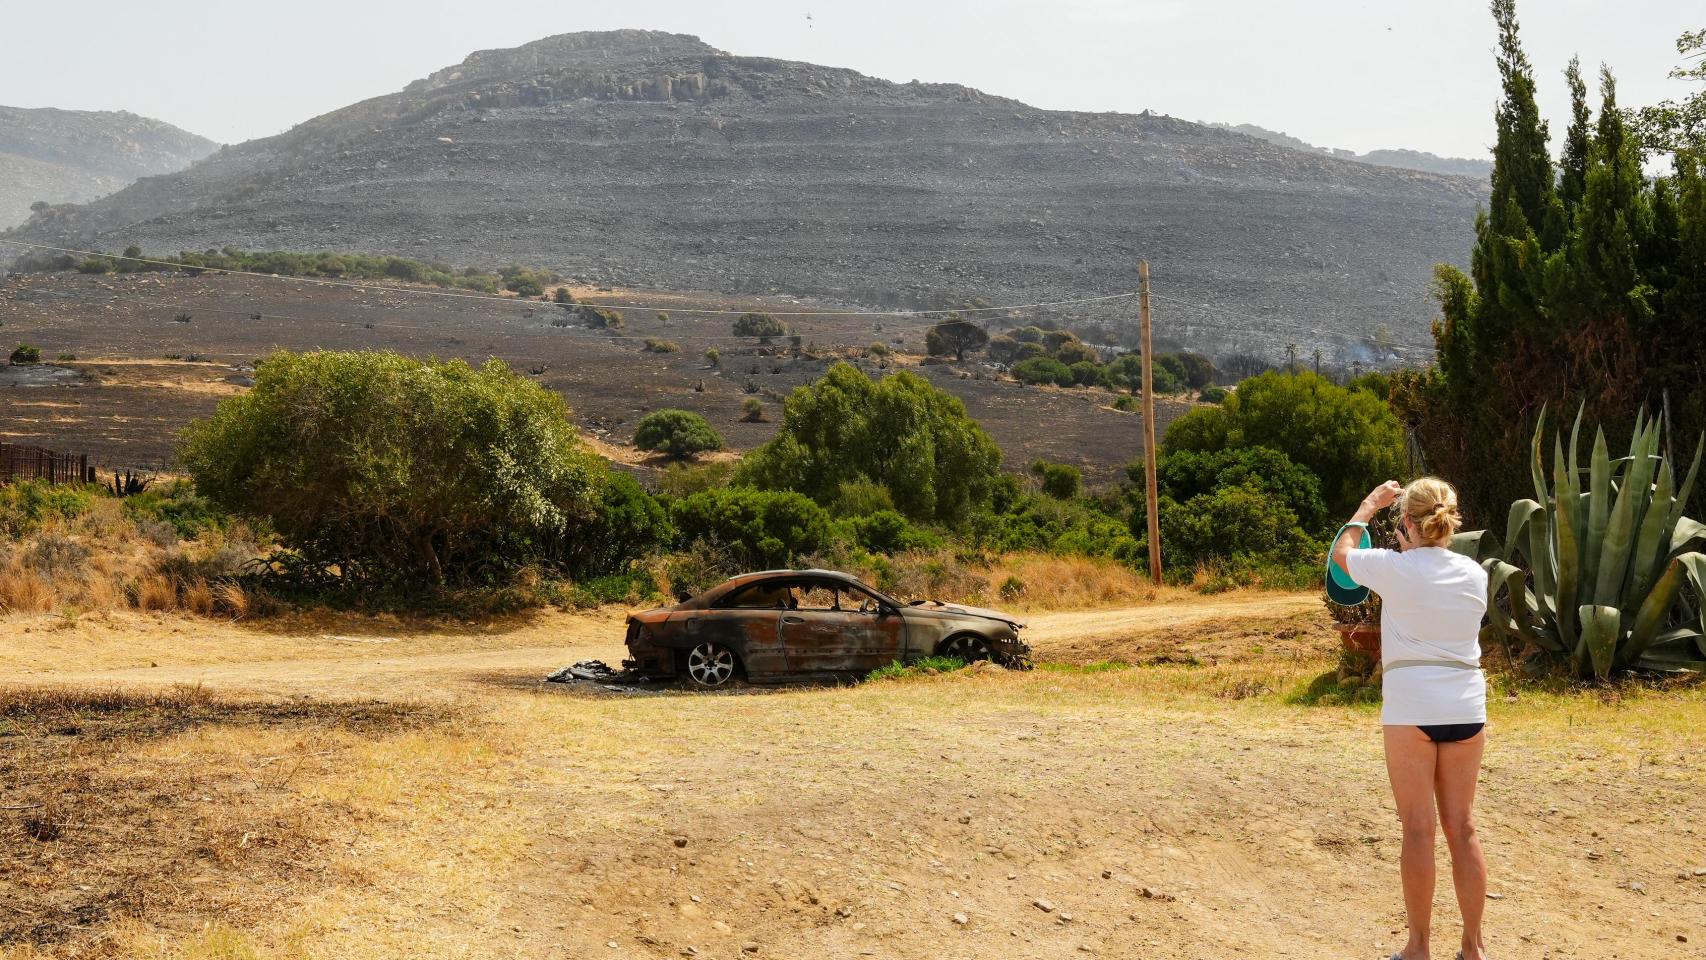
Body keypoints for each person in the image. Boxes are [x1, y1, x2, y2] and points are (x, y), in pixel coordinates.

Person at [1331, 477, 1490, 960]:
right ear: (1450, 521)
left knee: (1418, 829)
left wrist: (1366, 506)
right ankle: (1474, 948)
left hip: (1410, 707)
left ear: (1405, 524)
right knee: (1461, 827)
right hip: (1465, 705)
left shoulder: (1392, 568)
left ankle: (1418, 949)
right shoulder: (1475, 573)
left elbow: (1341, 558)